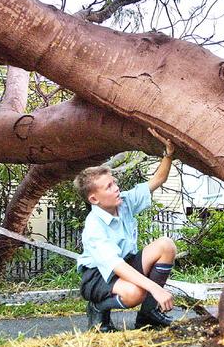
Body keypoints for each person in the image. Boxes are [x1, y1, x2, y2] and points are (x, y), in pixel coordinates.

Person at [74, 128, 177, 332]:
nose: (116, 188)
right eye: (109, 187)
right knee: (135, 292)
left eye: (114, 182)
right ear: (94, 199)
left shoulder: (125, 202)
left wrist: (169, 153)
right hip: (98, 276)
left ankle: (148, 316)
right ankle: (97, 307)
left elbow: (158, 180)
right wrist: (155, 288)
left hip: (125, 263)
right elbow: (116, 266)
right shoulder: (94, 226)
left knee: (166, 246)